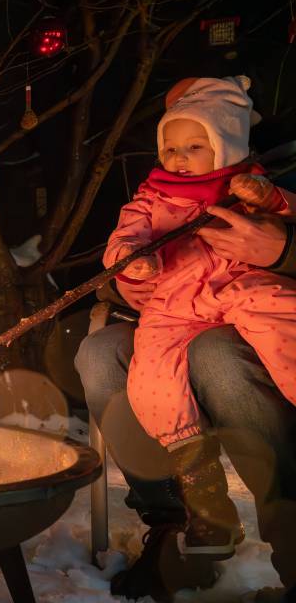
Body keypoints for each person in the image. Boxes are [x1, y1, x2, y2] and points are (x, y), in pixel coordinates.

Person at [77, 103, 296, 601]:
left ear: (228, 143)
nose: (178, 158)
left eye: (194, 146)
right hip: (173, 306)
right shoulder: (154, 196)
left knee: (235, 346)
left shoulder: (256, 180)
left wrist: (278, 235)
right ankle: (184, 513)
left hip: (241, 292)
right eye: (169, 147)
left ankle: (288, 529)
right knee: (106, 359)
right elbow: (125, 242)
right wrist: (126, 275)